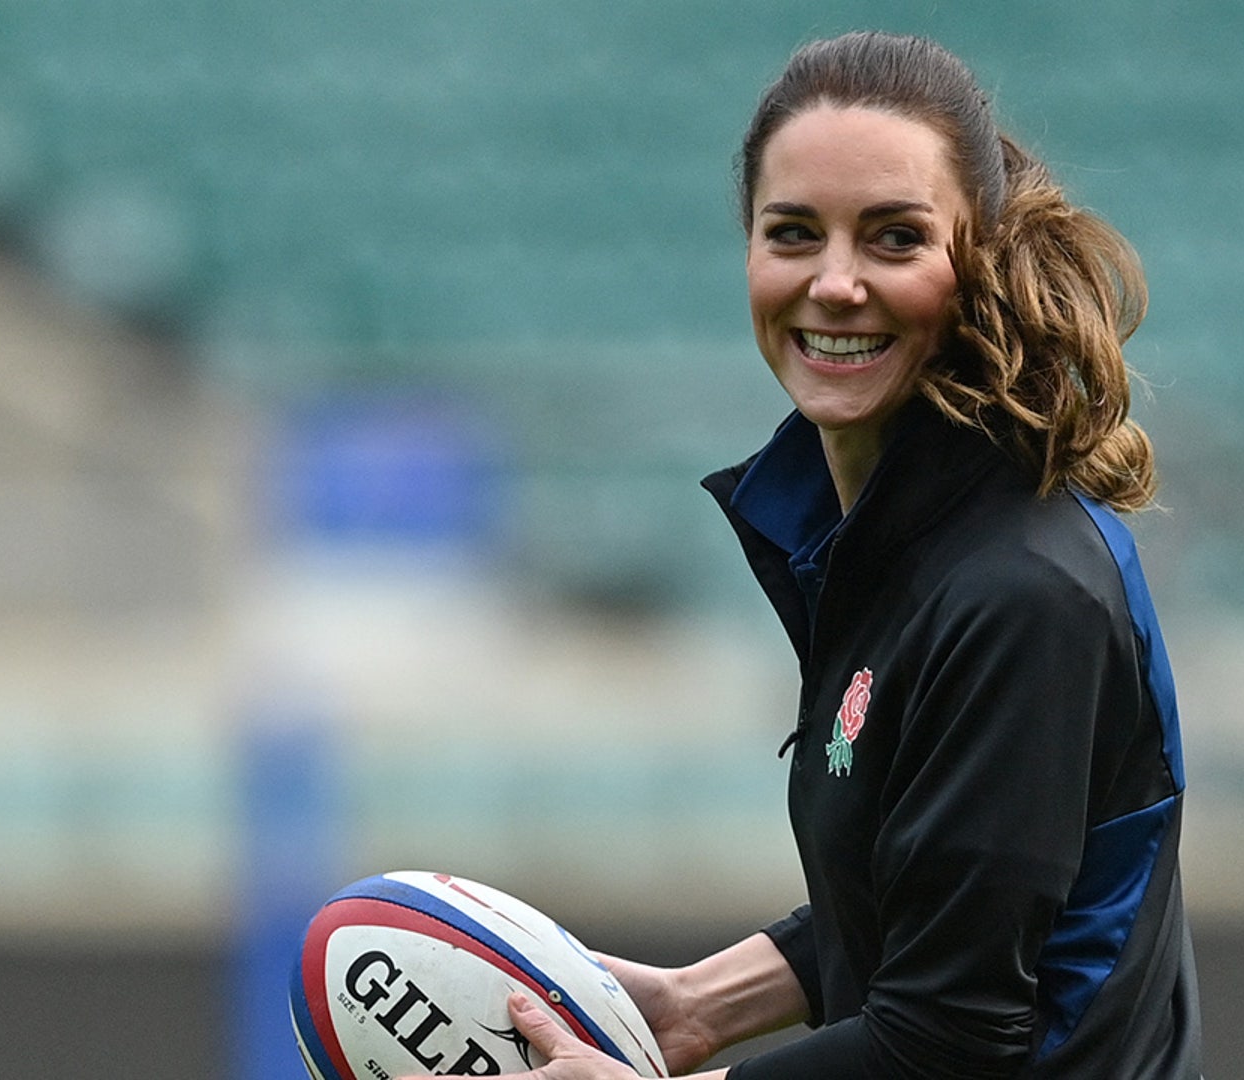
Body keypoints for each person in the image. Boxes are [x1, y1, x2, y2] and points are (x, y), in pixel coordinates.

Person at [436, 29, 1202, 1079]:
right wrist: (699, 1004)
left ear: (975, 256)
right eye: (793, 233)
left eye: (893, 239)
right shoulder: (888, 541)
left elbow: (951, 1043)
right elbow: (931, 899)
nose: (835, 284)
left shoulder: (1019, 592)